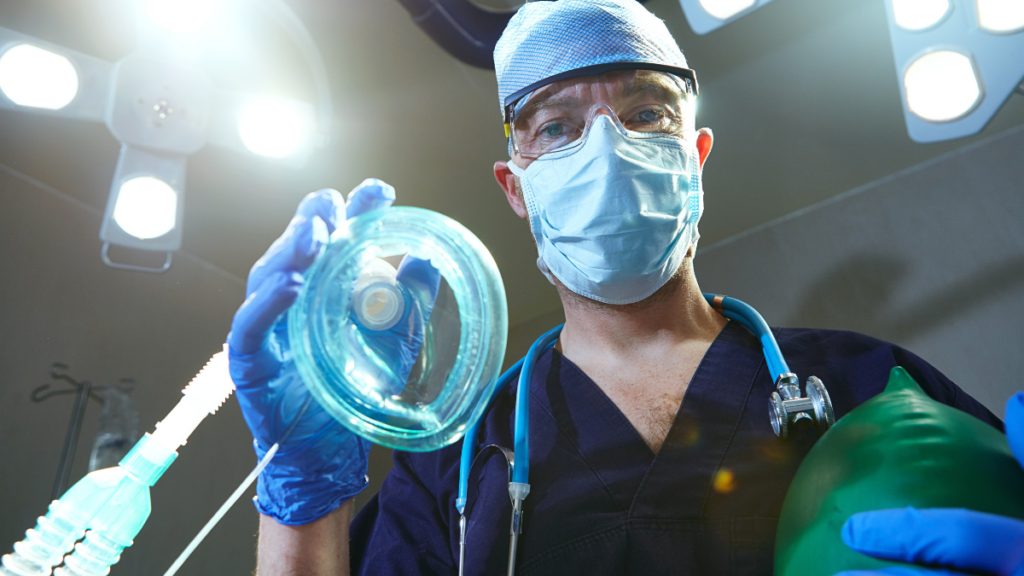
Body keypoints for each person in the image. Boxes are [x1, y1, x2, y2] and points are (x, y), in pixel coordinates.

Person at [227, 1, 1024, 574]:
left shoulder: (871, 385)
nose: (606, 148)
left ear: (695, 157)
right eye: (558, 127)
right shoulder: (458, 467)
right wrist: (306, 497)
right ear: (515, 186)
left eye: (645, 113)